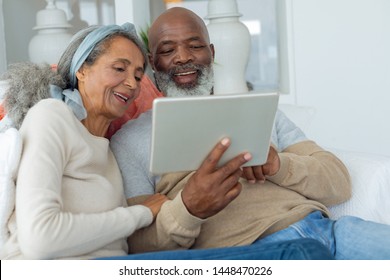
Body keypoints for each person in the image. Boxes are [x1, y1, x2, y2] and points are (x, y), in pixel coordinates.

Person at [0, 22, 332, 260]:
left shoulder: (105, 148)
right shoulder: (51, 117)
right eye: (119, 68)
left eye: (138, 75)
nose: (131, 83)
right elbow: (40, 240)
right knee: (300, 252)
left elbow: (123, 242)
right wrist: (145, 212)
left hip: (119, 265)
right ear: (82, 70)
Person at [110, 7, 390, 260]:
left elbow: (339, 182)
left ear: (212, 53)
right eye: (168, 50)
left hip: (329, 230)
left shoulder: (260, 110)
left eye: (195, 46)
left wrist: (278, 164)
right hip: (253, 251)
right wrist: (188, 207)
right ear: (152, 62)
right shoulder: (130, 141)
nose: (183, 57)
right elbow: (139, 245)